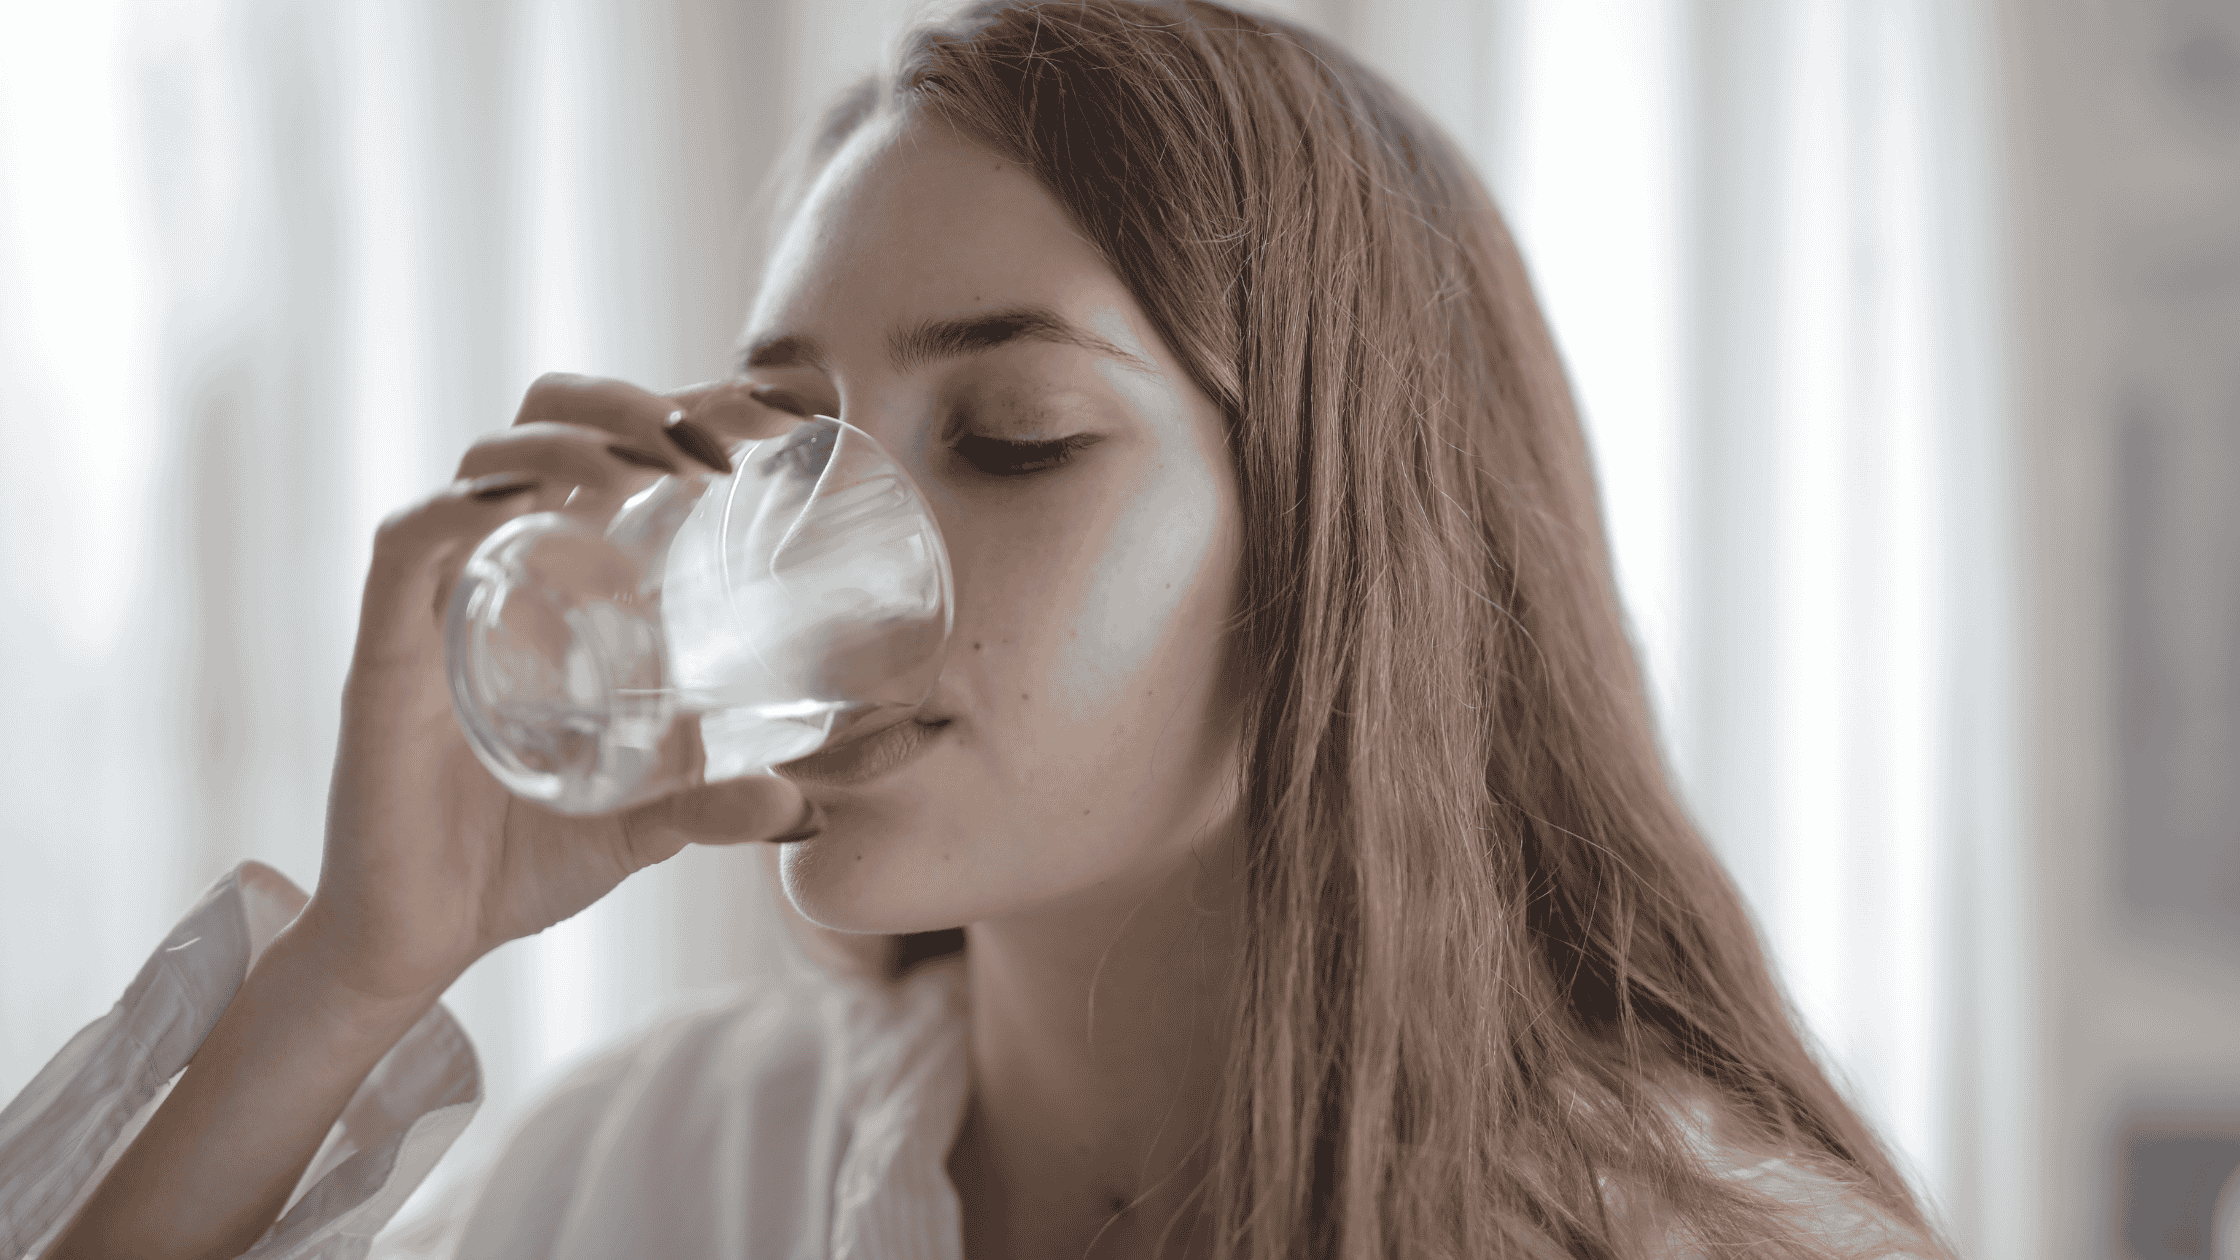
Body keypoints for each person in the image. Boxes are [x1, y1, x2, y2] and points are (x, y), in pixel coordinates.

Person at [0, 2, 1949, 1257]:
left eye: (1010, 439)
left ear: (1344, 552)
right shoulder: (675, 1171)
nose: (813, 570)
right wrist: (352, 970)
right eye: (786, 451)